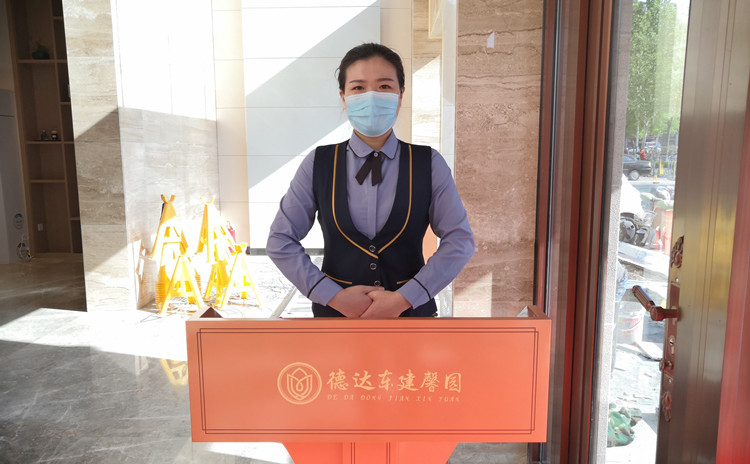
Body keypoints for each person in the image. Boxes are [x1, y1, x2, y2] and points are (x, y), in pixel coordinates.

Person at [266, 43, 475, 318]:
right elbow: (280, 240)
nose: (372, 97)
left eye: (384, 86)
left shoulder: (429, 163)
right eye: (358, 88)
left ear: (401, 95)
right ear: (343, 97)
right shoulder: (319, 163)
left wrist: (404, 299)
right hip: (336, 319)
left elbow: (460, 241)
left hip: (411, 319)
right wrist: (332, 295)